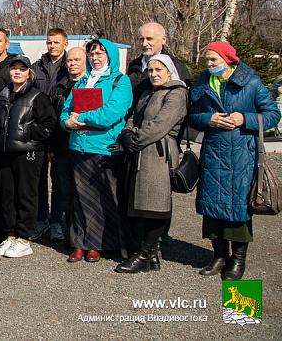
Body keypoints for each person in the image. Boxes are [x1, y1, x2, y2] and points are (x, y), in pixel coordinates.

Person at [189, 41, 280, 280]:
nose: (209, 65)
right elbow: (193, 117)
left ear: (229, 60)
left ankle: (238, 260)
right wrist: (210, 119)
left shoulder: (251, 83)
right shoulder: (203, 83)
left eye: (213, 60)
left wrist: (245, 118)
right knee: (212, 207)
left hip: (242, 155)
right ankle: (219, 256)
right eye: (206, 61)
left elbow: (272, 115)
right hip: (213, 154)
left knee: (239, 208)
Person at [60, 39, 132, 263]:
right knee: (78, 198)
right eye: (92, 54)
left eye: (100, 53)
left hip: (103, 148)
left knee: (102, 199)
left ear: (110, 56)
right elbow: (67, 109)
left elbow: (111, 113)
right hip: (78, 145)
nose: (95, 58)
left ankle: (97, 244)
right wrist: (67, 123)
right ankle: (78, 242)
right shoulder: (82, 81)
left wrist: (81, 118)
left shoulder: (120, 81)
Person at [115, 54, 188, 273]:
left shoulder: (177, 93)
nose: (154, 74)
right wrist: (127, 133)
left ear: (169, 71)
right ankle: (152, 255)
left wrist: (134, 139)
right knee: (143, 205)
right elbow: (133, 117)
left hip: (158, 155)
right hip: (140, 154)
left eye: (159, 70)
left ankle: (144, 255)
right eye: (151, 70)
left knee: (155, 205)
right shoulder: (148, 92)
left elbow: (160, 125)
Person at [0, 56, 56, 259]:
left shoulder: (37, 97)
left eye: (22, 69)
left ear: (29, 72)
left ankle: (24, 238)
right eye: (14, 69)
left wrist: (26, 133)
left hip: (28, 152)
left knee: (26, 194)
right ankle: (11, 235)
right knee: (8, 195)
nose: (17, 72)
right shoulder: (3, 95)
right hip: (6, 151)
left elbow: (49, 125)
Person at [30, 28, 69, 242]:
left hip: (62, 133)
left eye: (56, 42)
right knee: (39, 181)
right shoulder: (37, 68)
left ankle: (56, 222)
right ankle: (42, 219)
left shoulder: (68, 67)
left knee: (60, 181)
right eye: (49, 42)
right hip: (40, 133)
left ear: (65, 43)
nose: (52, 46)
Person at [46, 47, 86, 244]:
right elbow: (52, 120)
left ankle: (82, 233)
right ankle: (59, 225)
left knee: (82, 191)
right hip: (61, 147)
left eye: (77, 60)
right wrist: (50, 146)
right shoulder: (59, 88)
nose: (73, 64)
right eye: (69, 60)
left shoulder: (90, 86)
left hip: (84, 146)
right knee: (61, 188)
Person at [126, 22, 192, 109]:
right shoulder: (134, 65)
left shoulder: (175, 65)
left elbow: (183, 99)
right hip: (133, 118)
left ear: (163, 40)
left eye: (149, 39)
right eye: (142, 39)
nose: (144, 43)